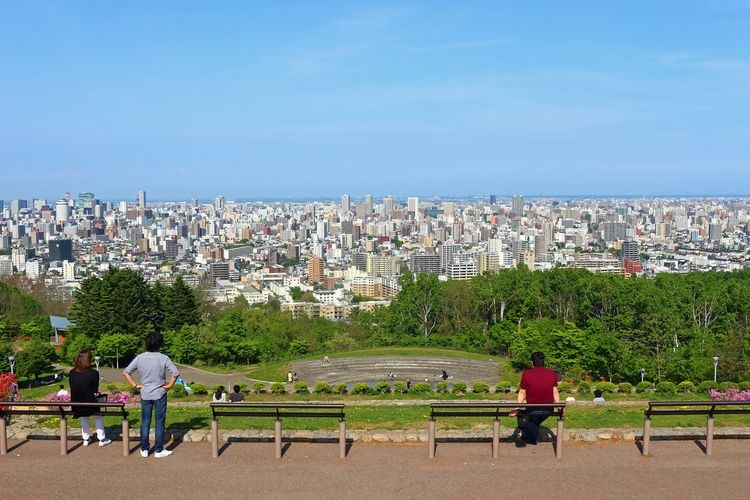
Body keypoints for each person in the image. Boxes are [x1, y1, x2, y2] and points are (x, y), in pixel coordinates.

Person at [124, 332, 179, 458]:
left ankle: (144, 449)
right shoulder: (163, 358)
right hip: (160, 393)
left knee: (145, 421)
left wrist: (135, 385)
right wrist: (170, 385)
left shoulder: (140, 357)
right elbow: (175, 373)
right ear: (160, 343)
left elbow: (126, 372)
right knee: (159, 422)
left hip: (145, 393)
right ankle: (158, 450)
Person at [515, 351, 560, 446]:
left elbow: (523, 392)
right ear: (544, 361)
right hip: (548, 409)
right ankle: (528, 436)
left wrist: (516, 408)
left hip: (532, 409)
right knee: (534, 421)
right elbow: (555, 392)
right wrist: (560, 408)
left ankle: (529, 437)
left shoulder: (527, 374)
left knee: (525, 416)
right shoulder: (552, 373)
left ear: (532, 362)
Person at [69, 349, 111, 447]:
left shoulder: (71, 372)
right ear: (88, 359)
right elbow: (95, 390)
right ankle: (102, 439)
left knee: (84, 417)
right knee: (98, 416)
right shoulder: (93, 373)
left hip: (77, 405)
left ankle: (86, 439)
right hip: (90, 403)